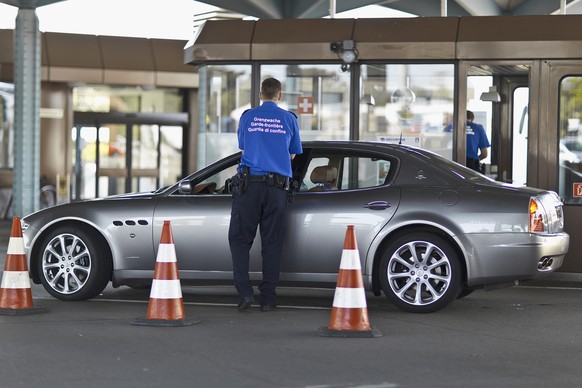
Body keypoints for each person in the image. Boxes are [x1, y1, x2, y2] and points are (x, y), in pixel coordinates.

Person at [228, 77, 303, 313]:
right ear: (279, 96)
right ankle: (268, 298)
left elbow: (243, 146)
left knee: (240, 240)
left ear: (261, 94)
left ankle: (245, 292)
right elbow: (293, 154)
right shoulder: (289, 119)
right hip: (276, 190)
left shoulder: (248, 117)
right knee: (272, 243)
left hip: (249, 187)